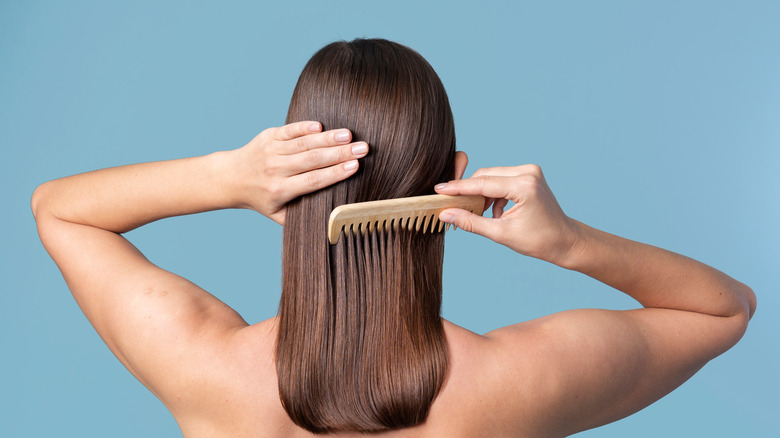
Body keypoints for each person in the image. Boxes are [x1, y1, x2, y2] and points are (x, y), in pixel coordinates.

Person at [32, 38, 755, 437]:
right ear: (454, 177)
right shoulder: (514, 383)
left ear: (291, 181)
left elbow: (58, 209)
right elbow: (723, 310)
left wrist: (228, 176)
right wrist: (569, 243)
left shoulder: (205, 368)